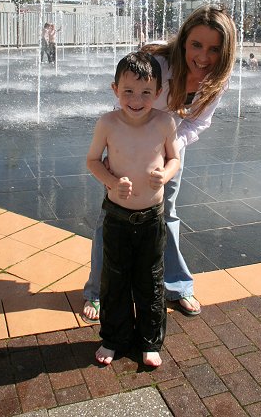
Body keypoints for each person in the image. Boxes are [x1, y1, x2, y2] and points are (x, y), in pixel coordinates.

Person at [83, 5, 237, 324]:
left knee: (167, 215)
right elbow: (128, 101)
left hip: (170, 153)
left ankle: (176, 286)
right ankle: (97, 291)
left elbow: (199, 124)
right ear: (183, 42)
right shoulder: (161, 65)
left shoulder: (217, 80)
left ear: (225, 51)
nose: (203, 56)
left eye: (213, 48)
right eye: (196, 45)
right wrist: (123, 149)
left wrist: (171, 149)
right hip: (128, 148)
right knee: (110, 219)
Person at [86, 51, 180, 367]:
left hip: (152, 217)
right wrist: (112, 182)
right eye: (128, 91)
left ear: (157, 92)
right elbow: (92, 161)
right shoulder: (108, 123)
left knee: (150, 280)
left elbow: (174, 159)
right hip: (117, 216)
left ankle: (149, 341)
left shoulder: (165, 122)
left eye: (145, 92)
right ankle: (114, 338)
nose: (136, 99)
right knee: (114, 280)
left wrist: (164, 175)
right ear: (115, 90)